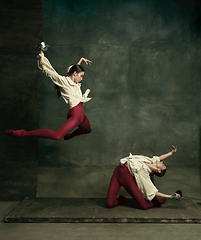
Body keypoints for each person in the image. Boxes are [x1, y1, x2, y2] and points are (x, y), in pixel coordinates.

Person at [6, 49, 92, 141]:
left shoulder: (74, 81)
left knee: (87, 130)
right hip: (76, 114)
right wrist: (41, 54)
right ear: (74, 74)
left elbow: (74, 68)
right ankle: (23, 134)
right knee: (56, 136)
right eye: (81, 76)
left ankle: (68, 136)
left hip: (81, 115)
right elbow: (49, 70)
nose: (82, 79)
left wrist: (81, 60)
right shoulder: (63, 81)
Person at [106, 145, 182, 210]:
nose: (162, 162)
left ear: (158, 170)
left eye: (163, 165)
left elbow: (154, 192)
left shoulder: (145, 174)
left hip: (127, 177)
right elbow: (160, 158)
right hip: (118, 171)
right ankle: (121, 200)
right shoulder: (150, 161)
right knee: (110, 204)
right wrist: (172, 153)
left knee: (144, 206)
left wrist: (170, 196)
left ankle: (158, 202)